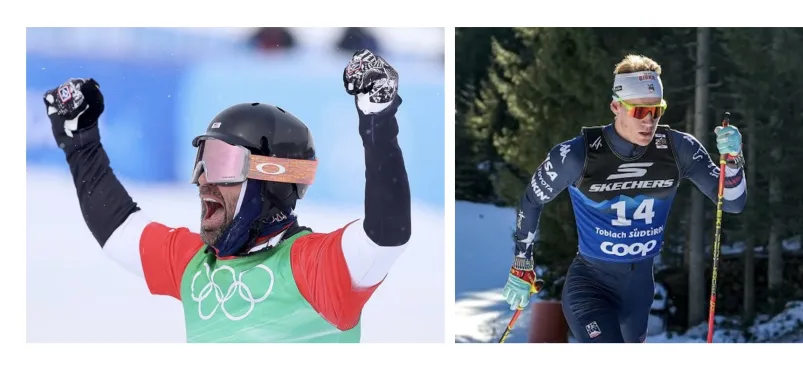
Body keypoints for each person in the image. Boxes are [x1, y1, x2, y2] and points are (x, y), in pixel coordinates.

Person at [42, 49, 410, 343]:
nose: (203, 178)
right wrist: (80, 144)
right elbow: (119, 228)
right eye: (202, 159)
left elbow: (386, 233)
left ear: (272, 179)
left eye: (222, 163)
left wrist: (377, 119)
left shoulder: (313, 267)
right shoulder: (195, 264)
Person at [501, 54, 747, 343]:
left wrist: (734, 159)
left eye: (656, 110)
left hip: (639, 291)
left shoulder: (679, 149)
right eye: (639, 111)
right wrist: (522, 264)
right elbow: (532, 200)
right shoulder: (577, 155)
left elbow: (732, 203)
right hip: (590, 286)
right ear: (616, 107)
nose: (649, 121)